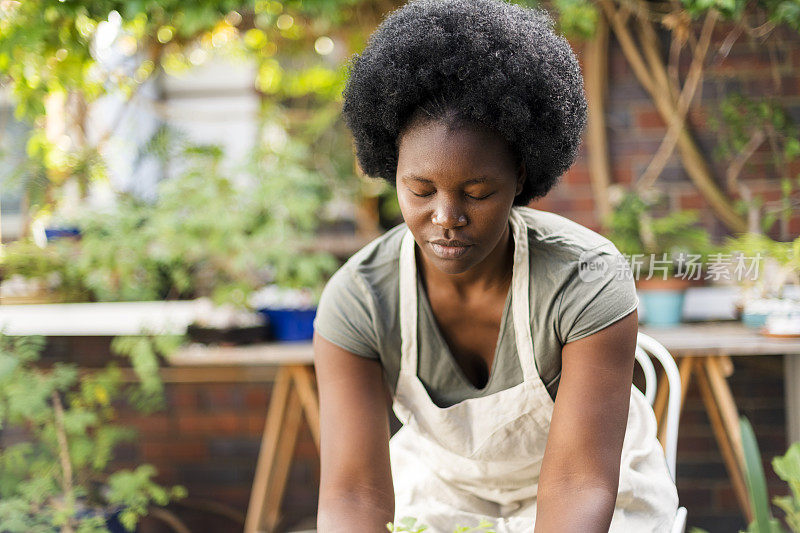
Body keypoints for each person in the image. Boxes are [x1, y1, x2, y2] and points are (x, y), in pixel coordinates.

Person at [312, 0, 679, 531]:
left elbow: (579, 482)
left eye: (478, 193)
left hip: (598, 493)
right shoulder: (360, 300)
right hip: (443, 493)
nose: (446, 218)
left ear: (520, 176)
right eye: (420, 190)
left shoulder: (587, 278)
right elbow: (353, 495)